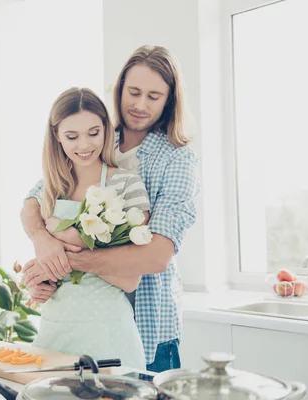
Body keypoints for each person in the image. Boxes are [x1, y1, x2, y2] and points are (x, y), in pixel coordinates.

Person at [21, 45, 200, 372]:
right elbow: (35, 200)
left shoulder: (176, 158)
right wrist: (42, 242)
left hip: (147, 323)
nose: (140, 105)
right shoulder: (95, 134)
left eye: (154, 96)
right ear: (119, 90)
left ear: (170, 100)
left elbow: (157, 255)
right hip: (70, 322)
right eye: (133, 92)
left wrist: (63, 262)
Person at [27, 86, 150, 369]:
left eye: (94, 133)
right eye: (72, 136)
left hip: (107, 332)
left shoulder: (125, 185)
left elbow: (130, 279)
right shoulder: (50, 189)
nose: (84, 145)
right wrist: (40, 283)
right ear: (57, 136)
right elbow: (43, 256)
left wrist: (59, 260)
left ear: (106, 130)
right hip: (53, 332)